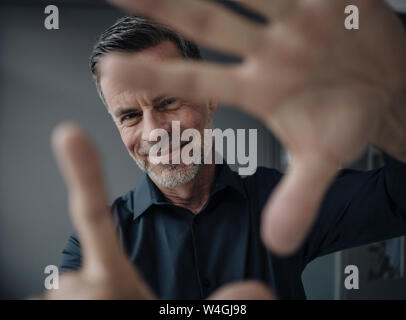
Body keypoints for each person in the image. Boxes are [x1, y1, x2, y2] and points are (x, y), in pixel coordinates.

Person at [45, 0, 406, 299]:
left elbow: (398, 200)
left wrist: (395, 103)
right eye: (129, 115)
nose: (154, 132)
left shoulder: (282, 199)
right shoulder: (96, 248)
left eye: (168, 101)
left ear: (210, 99)